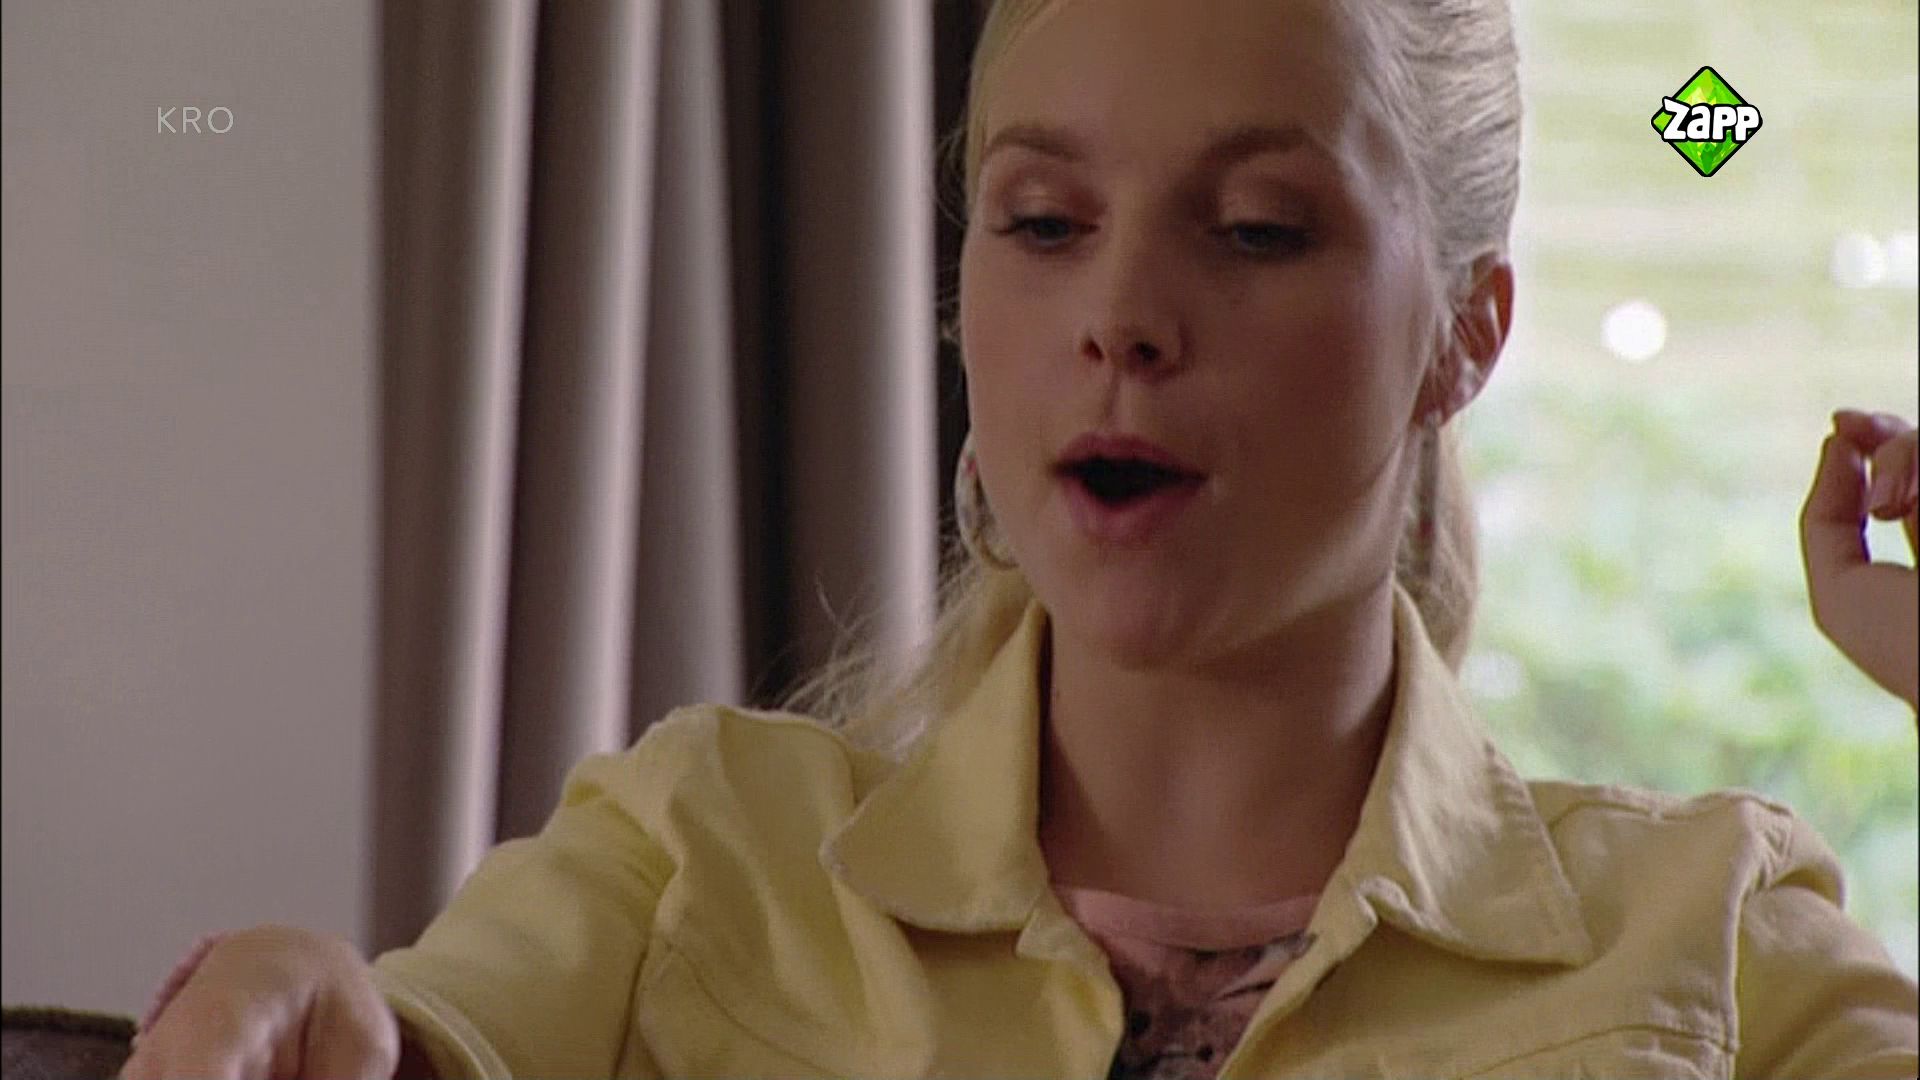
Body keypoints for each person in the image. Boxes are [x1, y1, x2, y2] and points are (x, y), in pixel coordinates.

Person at [118, 0, 1920, 1077]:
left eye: (1258, 230)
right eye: (1046, 223)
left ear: (1466, 331)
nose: (1120, 318)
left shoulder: (1717, 949)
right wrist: (303, 1004)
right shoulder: (691, 859)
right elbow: (418, 1040)